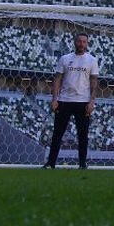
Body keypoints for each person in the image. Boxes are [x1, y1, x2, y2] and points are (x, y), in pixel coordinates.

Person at [45, 32, 99, 169]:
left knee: (83, 135)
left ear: (87, 44)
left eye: (84, 42)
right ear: (75, 42)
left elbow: (94, 82)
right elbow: (57, 79)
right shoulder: (65, 58)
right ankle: (51, 163)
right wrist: (54, 99)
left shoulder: (92, 60)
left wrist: (92, 101)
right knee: (57, 133)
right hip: (64, 100)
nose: (81, 44)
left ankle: (82, 164)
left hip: (83, 102)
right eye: (79, 41)